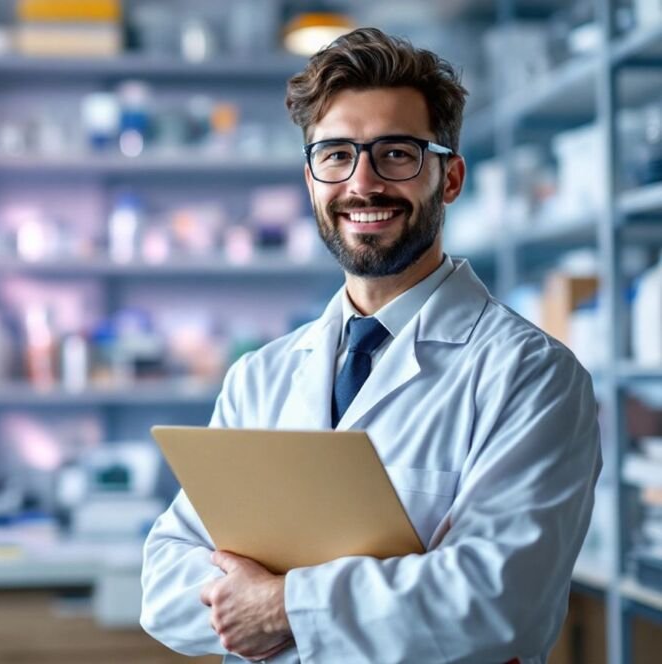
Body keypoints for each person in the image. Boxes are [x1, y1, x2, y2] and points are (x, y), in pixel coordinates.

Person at [140, 27, 601, 664]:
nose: (363, 183)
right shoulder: (260, 378)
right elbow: (163, 584)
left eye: (397, 154)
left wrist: (279, 606)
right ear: (310, 179)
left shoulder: (531, 376)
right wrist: (399, 589)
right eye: (335, 154)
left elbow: (495, 602)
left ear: (451, 176)